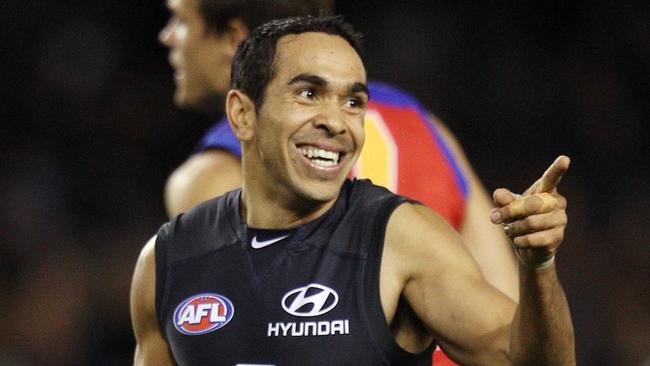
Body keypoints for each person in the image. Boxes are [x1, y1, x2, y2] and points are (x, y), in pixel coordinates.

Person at [132, 16, 575, 365]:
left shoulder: (402, 239)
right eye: (308, 93)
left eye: (353, 102)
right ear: (243, 114)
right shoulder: (167, 260)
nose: (337, 121)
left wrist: (539, 266)